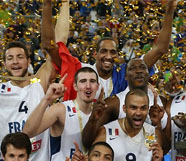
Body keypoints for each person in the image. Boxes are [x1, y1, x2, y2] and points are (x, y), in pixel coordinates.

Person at [42, 0, 176, 100]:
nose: (108, 56)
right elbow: (50, 46)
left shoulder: (126, 73)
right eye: (103, 51)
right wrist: (47, 5)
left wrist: (170, 12)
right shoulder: (81, 70)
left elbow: (160, 49)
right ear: (95, 54)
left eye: (112, 52)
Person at [0, 0, 70, 161]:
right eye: (10, 58)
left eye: (20, 57)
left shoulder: (38, 82)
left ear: (29, 61)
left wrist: (62, 4)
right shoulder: (0, 90)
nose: (15, 61)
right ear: (4, 65)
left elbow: (58, 45)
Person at [23, 67, 99, 161]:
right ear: (75, 86)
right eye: (83, 81)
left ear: (97, 86)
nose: (88, 86)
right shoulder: (61, 109)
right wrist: (46, 99)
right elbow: (28, 132)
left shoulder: (101, 112)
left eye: (92, 81)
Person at [78, 89, 164, 161]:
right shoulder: (106, 132)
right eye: (133, 107)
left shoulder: (153, 134)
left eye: (143, 108)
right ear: (124, 109)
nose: (138, 112)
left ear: (148, 109)